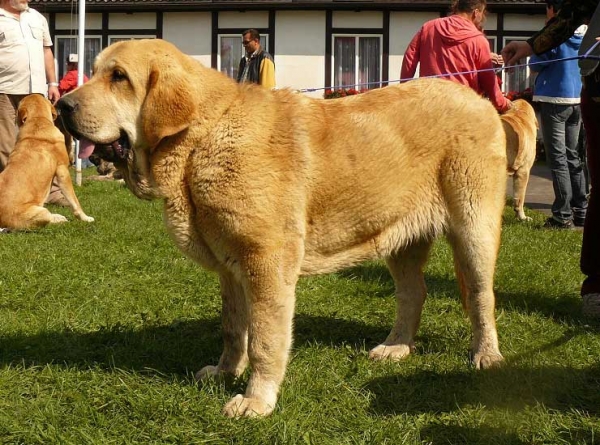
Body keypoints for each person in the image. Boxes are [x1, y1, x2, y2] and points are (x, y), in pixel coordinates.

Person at [502, 0, 600, 317]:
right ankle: (596, 287)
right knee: (573, 161)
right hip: (590, 95)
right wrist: (531, 45)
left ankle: (564, 213)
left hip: (558, 99)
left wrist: (533, 50)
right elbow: (571, 15)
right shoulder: (580, 16)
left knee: (562, 158)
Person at [0, 0, 67, 206]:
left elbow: (47, 51)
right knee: (7, 144)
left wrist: (53, 82)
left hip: (37, 91)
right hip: (5, 90)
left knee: (46, 142)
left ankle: (54, 192)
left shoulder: (37, 18)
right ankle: (11, 192)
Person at [529, 0, 588, 229]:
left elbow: (535, 64)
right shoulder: (584, 32)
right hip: (576, 98)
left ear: (553, 10)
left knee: (558, 159)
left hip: (553, 98)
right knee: (573, 156)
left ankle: (562, 215)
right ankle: (581, 210)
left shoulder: (554, 33)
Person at [400, 0, 512, 113]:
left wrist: (404, 91)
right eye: (482, 14)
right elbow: (488, 80)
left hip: (429, 104)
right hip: (462, 109)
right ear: (476, 13)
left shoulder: (429, 27)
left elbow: (409, 58)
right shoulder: (479, 40)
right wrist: (503, 103)